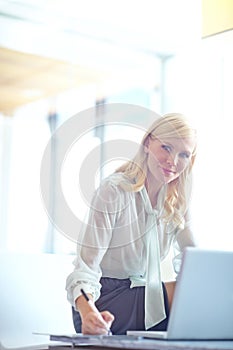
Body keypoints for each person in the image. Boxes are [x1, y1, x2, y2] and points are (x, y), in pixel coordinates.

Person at [66, 112, 197, 335]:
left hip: (142, 292)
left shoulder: (176, 202)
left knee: (196, 292)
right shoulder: (115, 191)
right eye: (166, 147)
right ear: (147, 144)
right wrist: (88, 312)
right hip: (100, 304)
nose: (172, 161)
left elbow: (194, 263)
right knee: (187, 295)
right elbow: (86, 267)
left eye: (184, 154)